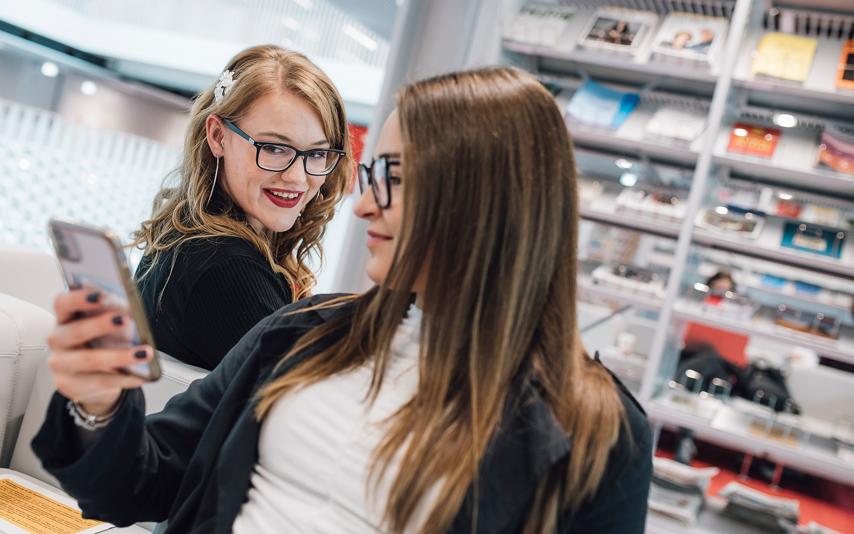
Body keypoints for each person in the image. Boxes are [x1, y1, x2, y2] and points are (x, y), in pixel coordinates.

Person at [35, 66, 652, 533]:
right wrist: (99, 405)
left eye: (395, 178)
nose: (362, 206)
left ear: (493, 200)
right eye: (370, 175)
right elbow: (138, 481)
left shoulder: (597, 430)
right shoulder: (302, 330)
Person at [131, 45, 352, 369]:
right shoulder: (227, 269)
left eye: (317, 154)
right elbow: (298, 396)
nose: (297, 177)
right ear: (218, 136)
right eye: (274, 148)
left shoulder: (186, 238)